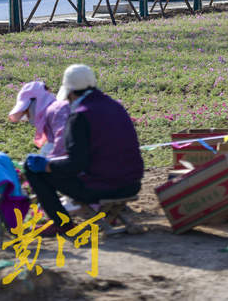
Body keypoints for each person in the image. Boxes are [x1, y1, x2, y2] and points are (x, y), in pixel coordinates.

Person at [23, 65, 143, 234]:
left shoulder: (79, 115)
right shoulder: (115, 106)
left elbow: (75, 164)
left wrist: (46, 165)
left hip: (104, 187)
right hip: (132, 184)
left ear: (70, 92)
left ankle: (62, 223)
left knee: (32, 169)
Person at [8, 80, 71, 157]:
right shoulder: (49, 115)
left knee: (47, 150)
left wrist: (46, 163)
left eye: (27, 111)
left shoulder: (57, 111)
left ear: (36, 103)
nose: (27, 116)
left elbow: (63, 141)